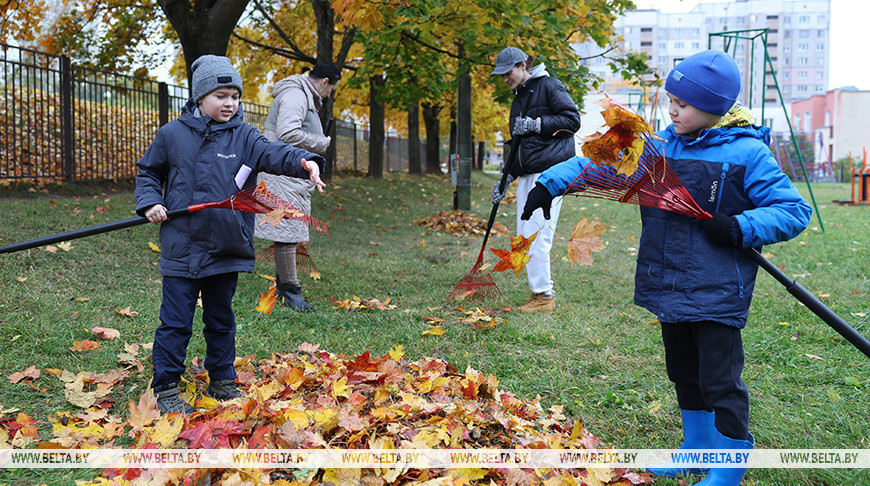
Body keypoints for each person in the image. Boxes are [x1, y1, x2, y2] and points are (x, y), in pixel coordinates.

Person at [521, 50, 812, 485]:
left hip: (716, 290)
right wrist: (550, 183)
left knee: (720, 380)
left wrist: (739, 225)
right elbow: (600, 164)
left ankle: (729, 467)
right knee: (683, 373)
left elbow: (794, 210)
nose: (673, 109)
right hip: (669, 281)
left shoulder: (747, 153)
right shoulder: (659, 146)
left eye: (684, 103)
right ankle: (695, 451)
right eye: (671, 99)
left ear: (714, 107)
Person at [135, 55, 327, 415]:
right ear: (200, 97)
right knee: (176, 321)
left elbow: (275, 152)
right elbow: (148, 173)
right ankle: (166, 389)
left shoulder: (245, 137)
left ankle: (222, 379)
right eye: (221, 95)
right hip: (181, 245)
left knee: (221, 320)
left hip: (226, 247)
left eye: (235, 96)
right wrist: (149, 202)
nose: (230, 103)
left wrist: (305, 161)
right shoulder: (172, 135)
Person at [490, 46, 581, 313]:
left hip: (550, 173)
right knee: (525, 235)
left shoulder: (549, 85)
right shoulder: (520, 95)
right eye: (502, 75)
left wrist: (537, 123)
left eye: (508, 73)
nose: (505, 79)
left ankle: (544, 297)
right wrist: (505, 179)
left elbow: (572, 120)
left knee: (536, 235)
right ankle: (537, 293)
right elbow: (520, 145)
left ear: (522, 65)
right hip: (530, 173)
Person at [254, 63, 341, 312]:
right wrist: (320, 142)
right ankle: (291, 291)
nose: (329, 94)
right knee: (288, 232)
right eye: (331, 88)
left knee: (289, 231)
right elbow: (288, 132)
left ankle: (285, 285)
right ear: (324, 81)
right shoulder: (295, 94)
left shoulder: (302, 94)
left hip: (291, 173)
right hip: (283, 173)